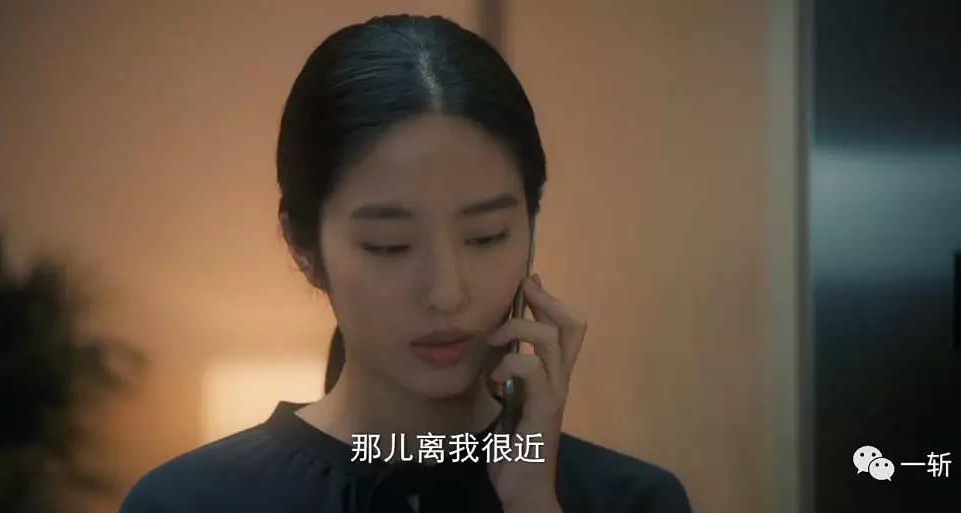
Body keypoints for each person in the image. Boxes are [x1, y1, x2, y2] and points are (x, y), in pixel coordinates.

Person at [119, 14, 692, 513]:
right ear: (303, 245)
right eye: (389, 245)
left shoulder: (632, 500)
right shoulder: (188, 502)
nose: (447, 293)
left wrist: (530, 502)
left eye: (486, 237)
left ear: (531, 226)